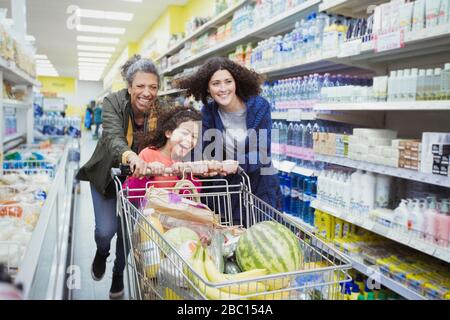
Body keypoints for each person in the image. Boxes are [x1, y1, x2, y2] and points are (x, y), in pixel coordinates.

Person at [76, 54, 162, 299]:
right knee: (106, 231)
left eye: (153, 87)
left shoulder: (160, 109)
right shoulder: (112, 102)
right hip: (106, 175)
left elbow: (169, 135)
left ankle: (117, 274)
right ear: (129, 86)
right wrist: (130, 156)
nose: (147, 92)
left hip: (137, 182)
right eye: (140, 86)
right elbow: (113, 137)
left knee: (127, 232)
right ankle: (102, 253)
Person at [174, 57, 282, 223]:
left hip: (260, 189)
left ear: (236, 82)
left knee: (261, 239)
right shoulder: (208, 112)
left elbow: (262, 154)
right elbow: (205, 153)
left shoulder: (259, 106)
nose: (223, 88)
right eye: (216, 83)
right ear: (208, 88)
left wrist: (235, 163)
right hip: (228, 193)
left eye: (228, 81)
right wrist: (196, 163)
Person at [124, 105, 203, 201]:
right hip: (149, 214)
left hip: (175, 215)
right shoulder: (148, 154)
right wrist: (148, 175)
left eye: (194, 137)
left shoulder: (187, 163)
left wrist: (185, 177)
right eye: (185, 133)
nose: (189, 140)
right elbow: (130, 195)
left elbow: (190, 200)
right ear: (168, 133)